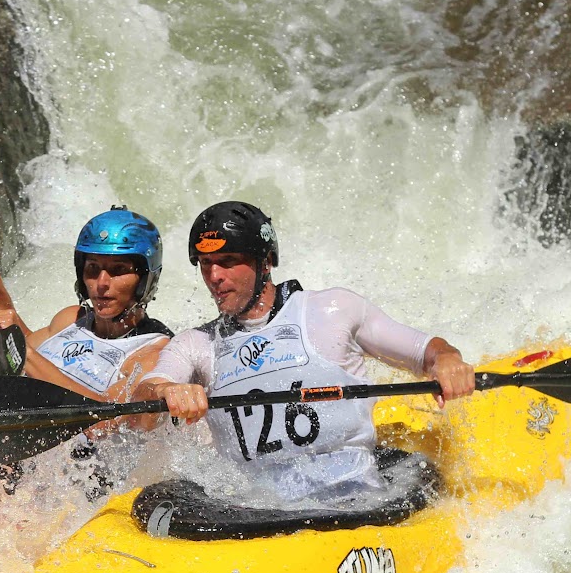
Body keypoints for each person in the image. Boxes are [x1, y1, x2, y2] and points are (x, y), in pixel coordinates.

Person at [133, 200, 476, 504]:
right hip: (254, 511)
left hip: (354, 496)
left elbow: (425, 351)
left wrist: (447, 361)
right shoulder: (197, 344)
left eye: (227, 261)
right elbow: (143, 402)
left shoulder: (332, 310)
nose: (214, 277)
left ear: (265, 261)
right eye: (206, 264)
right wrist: (166, 391)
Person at [0, 207, 172, 403]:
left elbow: (107, 421)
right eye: (93, 268)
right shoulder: (72, 318)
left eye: (118, 270)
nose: (101, 283)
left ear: (145, 280)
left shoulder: (154, 352)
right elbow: (26, 345)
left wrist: (23, 352)